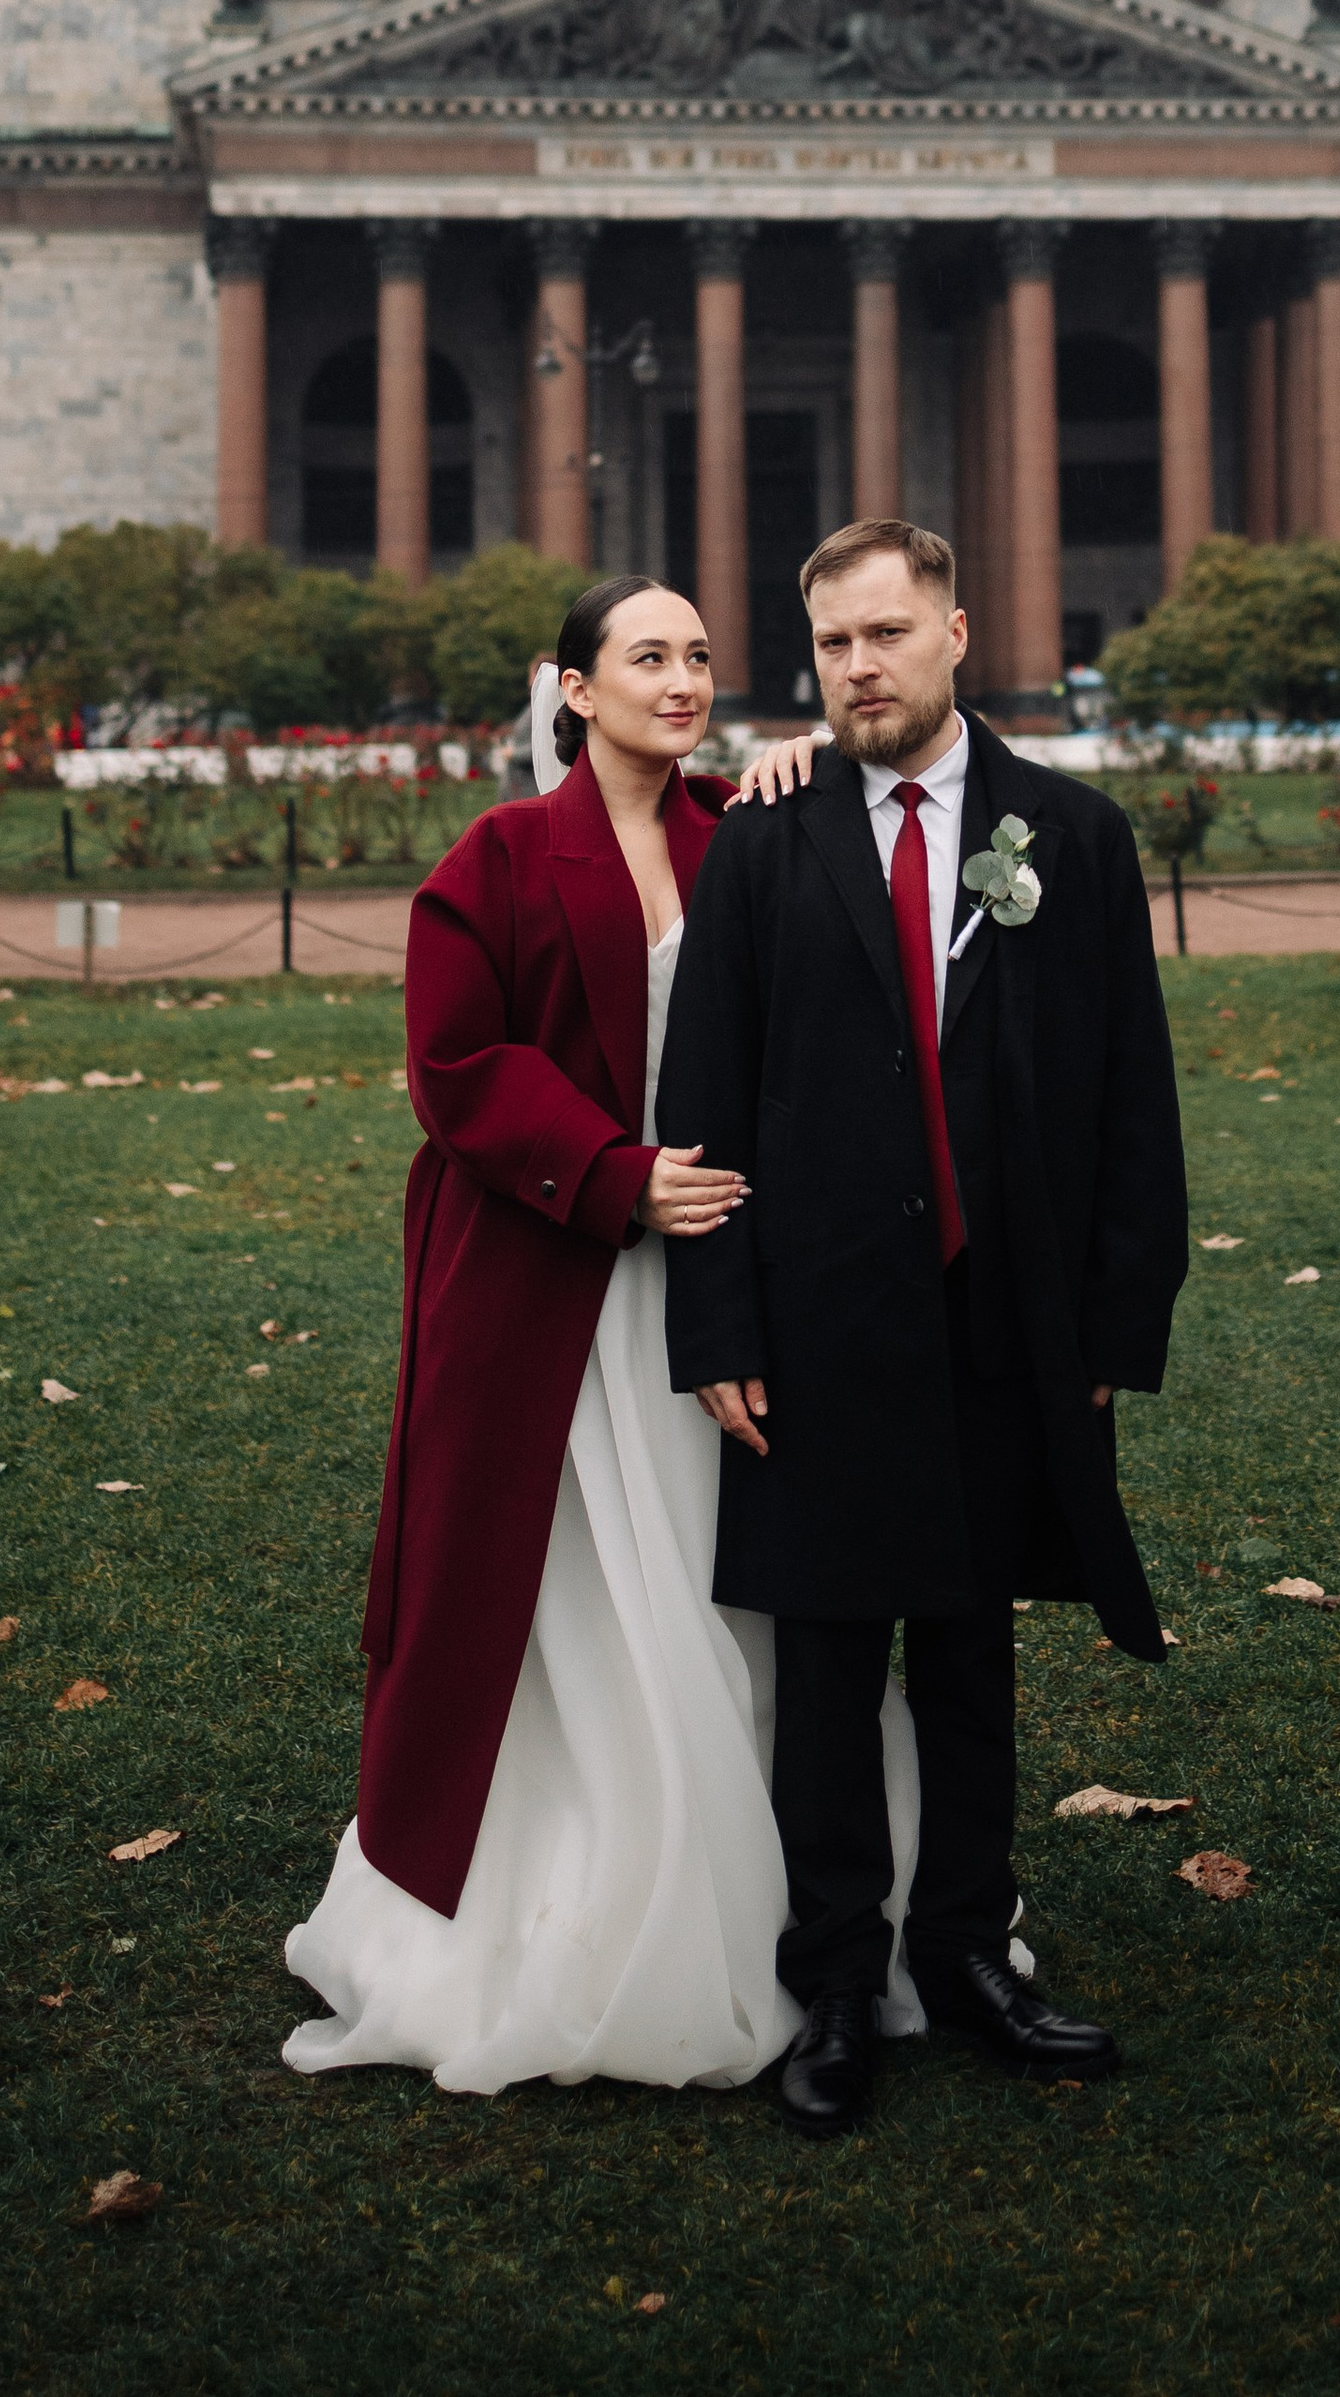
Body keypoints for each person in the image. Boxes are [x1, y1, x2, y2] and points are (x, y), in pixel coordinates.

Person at [283, 574, 898, 2091]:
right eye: (646, 656)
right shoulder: (496, 857)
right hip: (543, 1274)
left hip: (713, 1290)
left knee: (715, 1587)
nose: (681, 680)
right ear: (572, 687)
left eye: (699, 654)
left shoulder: (746, 839)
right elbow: (456, 1063)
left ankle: (784, 1908)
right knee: (549, 1594)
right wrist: (618, 1180)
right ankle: (552, 1901)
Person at [662, 517, 1187, 2139]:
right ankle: (834, 1986)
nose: (860, 667)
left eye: (888, 634)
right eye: (832, 645)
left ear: (959, 636)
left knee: (970, 1655)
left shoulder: (1074, 838)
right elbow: (708, 1098)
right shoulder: (761, 840)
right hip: (816, 1320)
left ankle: (969, 1956)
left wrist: (1114, 1320)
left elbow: (1130, 1099)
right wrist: (718, 1326)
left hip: (1003, 1319)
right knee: (825, 1666)